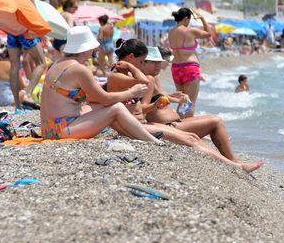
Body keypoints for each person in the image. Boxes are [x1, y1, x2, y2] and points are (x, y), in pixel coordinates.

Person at [105, 40, 264, 173]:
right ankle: (237, 166)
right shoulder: (119, 76)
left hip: (141, 125)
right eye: (143, 62)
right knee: (196, 135)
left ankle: (234, 165)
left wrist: (167, 99)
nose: (158, 66)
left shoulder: (127, 76)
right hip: (135, 127)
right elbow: (144, 85)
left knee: (194, 137)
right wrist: (133, 69)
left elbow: (139, 102)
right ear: (133, 58)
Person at [40, 26, 162, 143]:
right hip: (60, 131)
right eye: (92, 47)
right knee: (117, 107)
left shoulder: (58, 63)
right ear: (85, 49)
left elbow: (97, 99)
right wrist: (132, 93)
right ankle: (152, 140)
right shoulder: (79, 69)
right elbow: (105, 99)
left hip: (48, 129)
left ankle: (137, 134)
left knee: (99, 106)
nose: (95, 50)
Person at [4, 0, 46, 110]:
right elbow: (33, 12)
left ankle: (17, 106)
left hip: (11, 30)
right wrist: (41, 31)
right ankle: (26, 93)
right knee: (41, 63)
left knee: (14, 66)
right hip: (25, 30)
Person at [168, 7, 210, 117]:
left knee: (183, 101)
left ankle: (179, 125)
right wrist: (202, 18)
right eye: (190, 20)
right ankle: (189, 128)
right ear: (186, 18)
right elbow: (208, 34)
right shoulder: (190, 31)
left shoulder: (171, 32)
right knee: (190, 102)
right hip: (190, 68)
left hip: (176, 68)